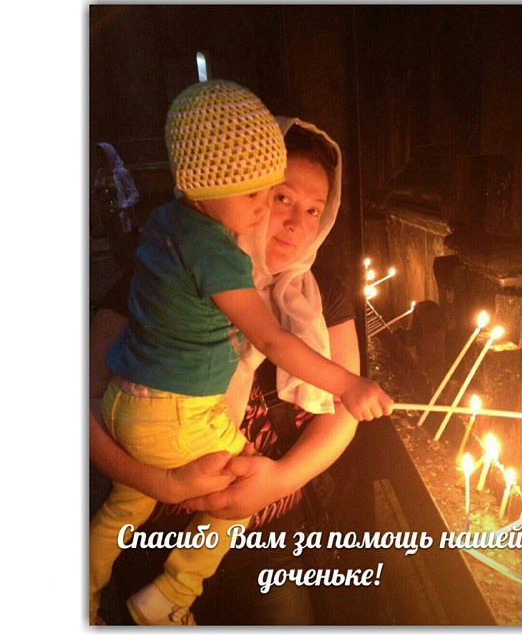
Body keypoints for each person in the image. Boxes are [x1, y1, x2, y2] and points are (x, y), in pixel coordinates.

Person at [90, 80, 392, 627]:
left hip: (267, 537)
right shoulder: (164, 273)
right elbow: (84, 402)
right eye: (280, 197)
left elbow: (343, 414)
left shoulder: (322, 295)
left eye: (314, 209)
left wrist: (277, 481)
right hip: (155, 529)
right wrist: (161, 484)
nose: (297, 222)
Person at [91, 142, 141, 268]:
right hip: (108, 218)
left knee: (127, 249)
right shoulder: (101, 174)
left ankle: (132, 273)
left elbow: (134, 194)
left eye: (102, 155)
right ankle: (123, 272)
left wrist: (123, 206)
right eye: (98, 156)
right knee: (116, 250)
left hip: (121, 218)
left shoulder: (121, 173)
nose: (100, 158)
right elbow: (96, 193)